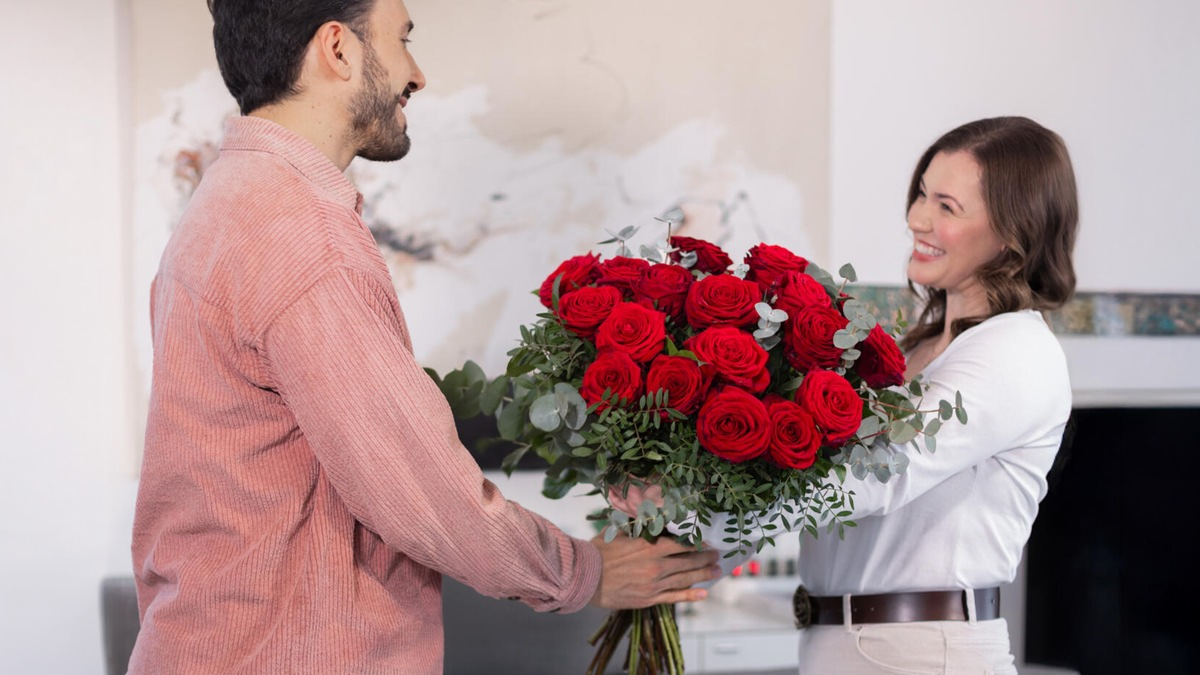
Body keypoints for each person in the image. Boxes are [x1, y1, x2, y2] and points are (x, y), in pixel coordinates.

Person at [127, 1, 720, 673]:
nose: (417, 73)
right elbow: (424, 495)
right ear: (339, 49)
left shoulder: (225, 204)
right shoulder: (304, 238)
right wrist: (586, 572)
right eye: (403, 41)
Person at [791, 116, 1078, 674]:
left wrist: (710, 506)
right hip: (847, 645)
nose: (916, 218)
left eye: (947, 207)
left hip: (922, 653)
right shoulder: (914, 347)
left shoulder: (1016, 353)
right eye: (922, 194)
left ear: (1011, 233)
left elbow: (880, 473)